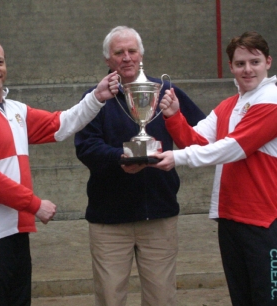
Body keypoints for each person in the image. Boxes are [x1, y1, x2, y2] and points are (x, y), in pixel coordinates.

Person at [0, 37, 119, 306]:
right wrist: (34, 204)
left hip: (16, 231)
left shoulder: (15, 111)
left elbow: (59, 124)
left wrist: (96, 98)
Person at [153, 31, 277, 305]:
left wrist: (178, 157)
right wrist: (174, 116)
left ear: (268, 62)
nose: (248, 69)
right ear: (231, 66)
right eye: (240, 63)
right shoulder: (228, 106)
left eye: (254, 62)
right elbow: (195, 140)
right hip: (231, 219)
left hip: (268, 220)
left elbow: (233, 148)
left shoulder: (275, 100)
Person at [74, 26, 205, 306]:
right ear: (108, 60)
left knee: (162, 298)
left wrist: (176, 117)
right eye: (118, 52)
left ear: (141, 54)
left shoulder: (167, 92)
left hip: (158, 215)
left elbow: (202, 135)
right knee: (110, 298)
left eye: (132, 51)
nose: (126, 58)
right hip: (109, 219)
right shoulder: (95, 98)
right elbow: (85, 147)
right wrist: (119, 158)